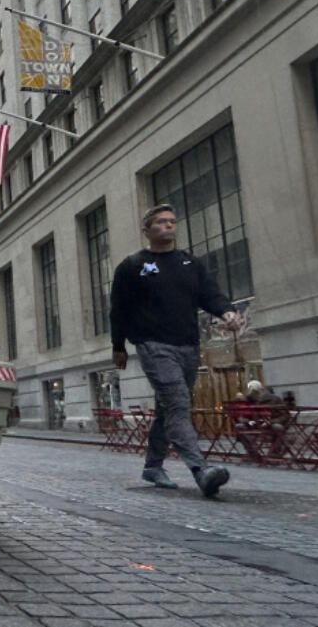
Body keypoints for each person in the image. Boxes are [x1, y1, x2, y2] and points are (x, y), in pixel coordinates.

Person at [110, 203, 244, 498]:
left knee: (168, 408)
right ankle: (201, 470)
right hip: (153, 345)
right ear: (147, 230)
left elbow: (210, 294)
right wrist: (118, 345)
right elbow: (118, 309)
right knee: (178, 403)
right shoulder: (134, 265)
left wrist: (227, 313)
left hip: (188, 345)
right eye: (160, 222)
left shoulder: (189, 263)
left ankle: (153, 466)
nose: (168, 226)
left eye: (172, 221)